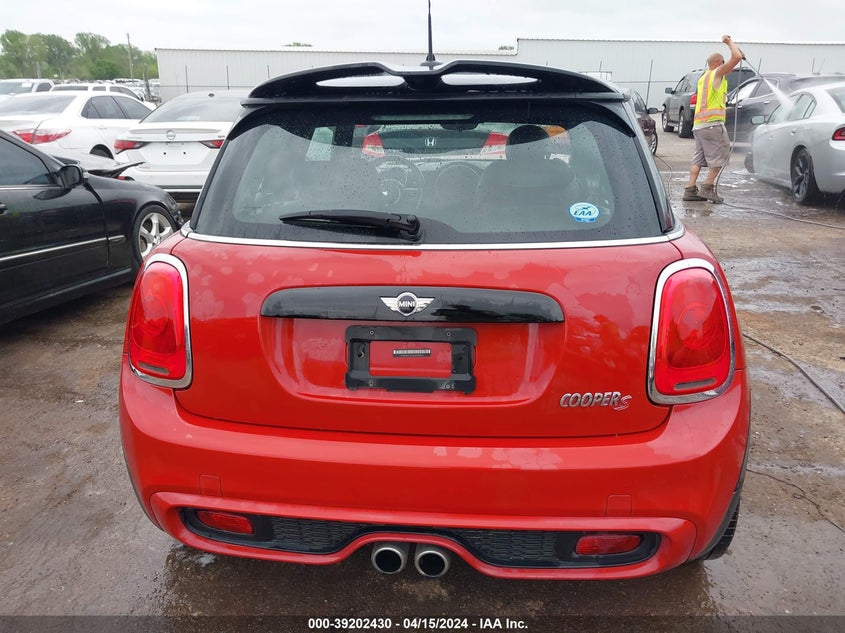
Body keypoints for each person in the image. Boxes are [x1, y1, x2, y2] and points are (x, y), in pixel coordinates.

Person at [683, 35, 744, 203]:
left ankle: (690, 190)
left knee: (698, 159)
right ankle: (707, 189)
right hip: (712, 125)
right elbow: (736, 58)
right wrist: (729, 43)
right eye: (723, 62)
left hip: (699, 126)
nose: (726, 65)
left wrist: (736, 52)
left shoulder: (704, 78)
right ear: (718, 63)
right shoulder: (716, 74)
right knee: (720, 156)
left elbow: (735, 58)